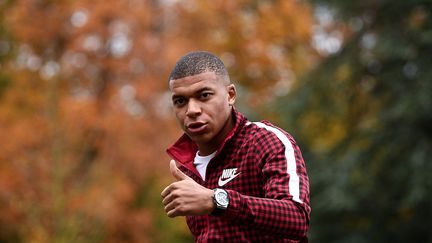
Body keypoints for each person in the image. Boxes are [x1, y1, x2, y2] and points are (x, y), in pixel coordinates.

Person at [161, 51, 310, 242]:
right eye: (180, 101)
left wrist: (217, 200)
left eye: (204, 95)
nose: (192, 110)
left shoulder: (265, 141)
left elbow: (296, 219)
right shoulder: (186, 171)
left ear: (230, 95)